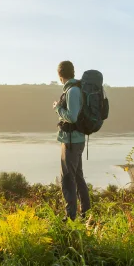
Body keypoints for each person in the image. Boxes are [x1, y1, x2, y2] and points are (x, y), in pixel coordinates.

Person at [53, 60, 90, 220]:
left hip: (71, 142)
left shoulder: (72, 91)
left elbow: (72, 117)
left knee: (67, 178)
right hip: (75, 140)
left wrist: (57, 108)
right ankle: (86, 213)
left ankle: (71, 217)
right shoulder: (75, 89)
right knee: (77, 176)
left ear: (60, 75)